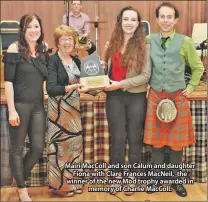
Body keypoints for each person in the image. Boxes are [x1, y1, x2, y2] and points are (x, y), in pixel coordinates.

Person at [143, 2, 204, 197]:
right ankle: (156, 179)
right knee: (157, 143)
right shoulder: (148, 40)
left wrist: (191, 87)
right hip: (155, 97)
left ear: (176, 19)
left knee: (176, 144)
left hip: (177, 97)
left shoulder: (185, 41)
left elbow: (198, 68)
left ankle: (177, 181)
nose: (166, 20)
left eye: (170, 17)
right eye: (162, 16)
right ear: (157, 19)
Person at [104, 6, 151, 196]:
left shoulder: (145, 46)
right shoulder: (112, 44)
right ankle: (116, 177)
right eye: (126, 19)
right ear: (120, 21)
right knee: (117, 138)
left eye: (133, 20)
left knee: (133, 138)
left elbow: (145, 76)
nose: (129, 23)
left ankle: (132, 177)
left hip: (136, 97)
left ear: (138, 23)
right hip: (114, 97)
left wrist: (120, 84)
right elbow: (108, 71)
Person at [3, 14, 48, 201]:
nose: (33, 30)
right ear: (22, 29)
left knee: (37, 148)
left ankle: (19, 177)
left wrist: (45, 91)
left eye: (36, 26)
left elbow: (43, 76)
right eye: (29, 27)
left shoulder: (43, 49)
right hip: (19, 105)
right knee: (17, 148)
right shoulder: (14, 49)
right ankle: (22, 189)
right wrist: (12, 109)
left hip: (38, 105)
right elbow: (8, 82)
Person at [46, 25, 86, 197]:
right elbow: (52, 89)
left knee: (75, 149)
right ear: (58, 42)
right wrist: (73, 87)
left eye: (70, 39)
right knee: (60, 151)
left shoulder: (77, 60)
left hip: (74, 111)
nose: (67, 42)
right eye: (64, 39)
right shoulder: (53, 61)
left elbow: (85, 83)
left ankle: (75, 183)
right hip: (59, 114)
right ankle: (61, 186)